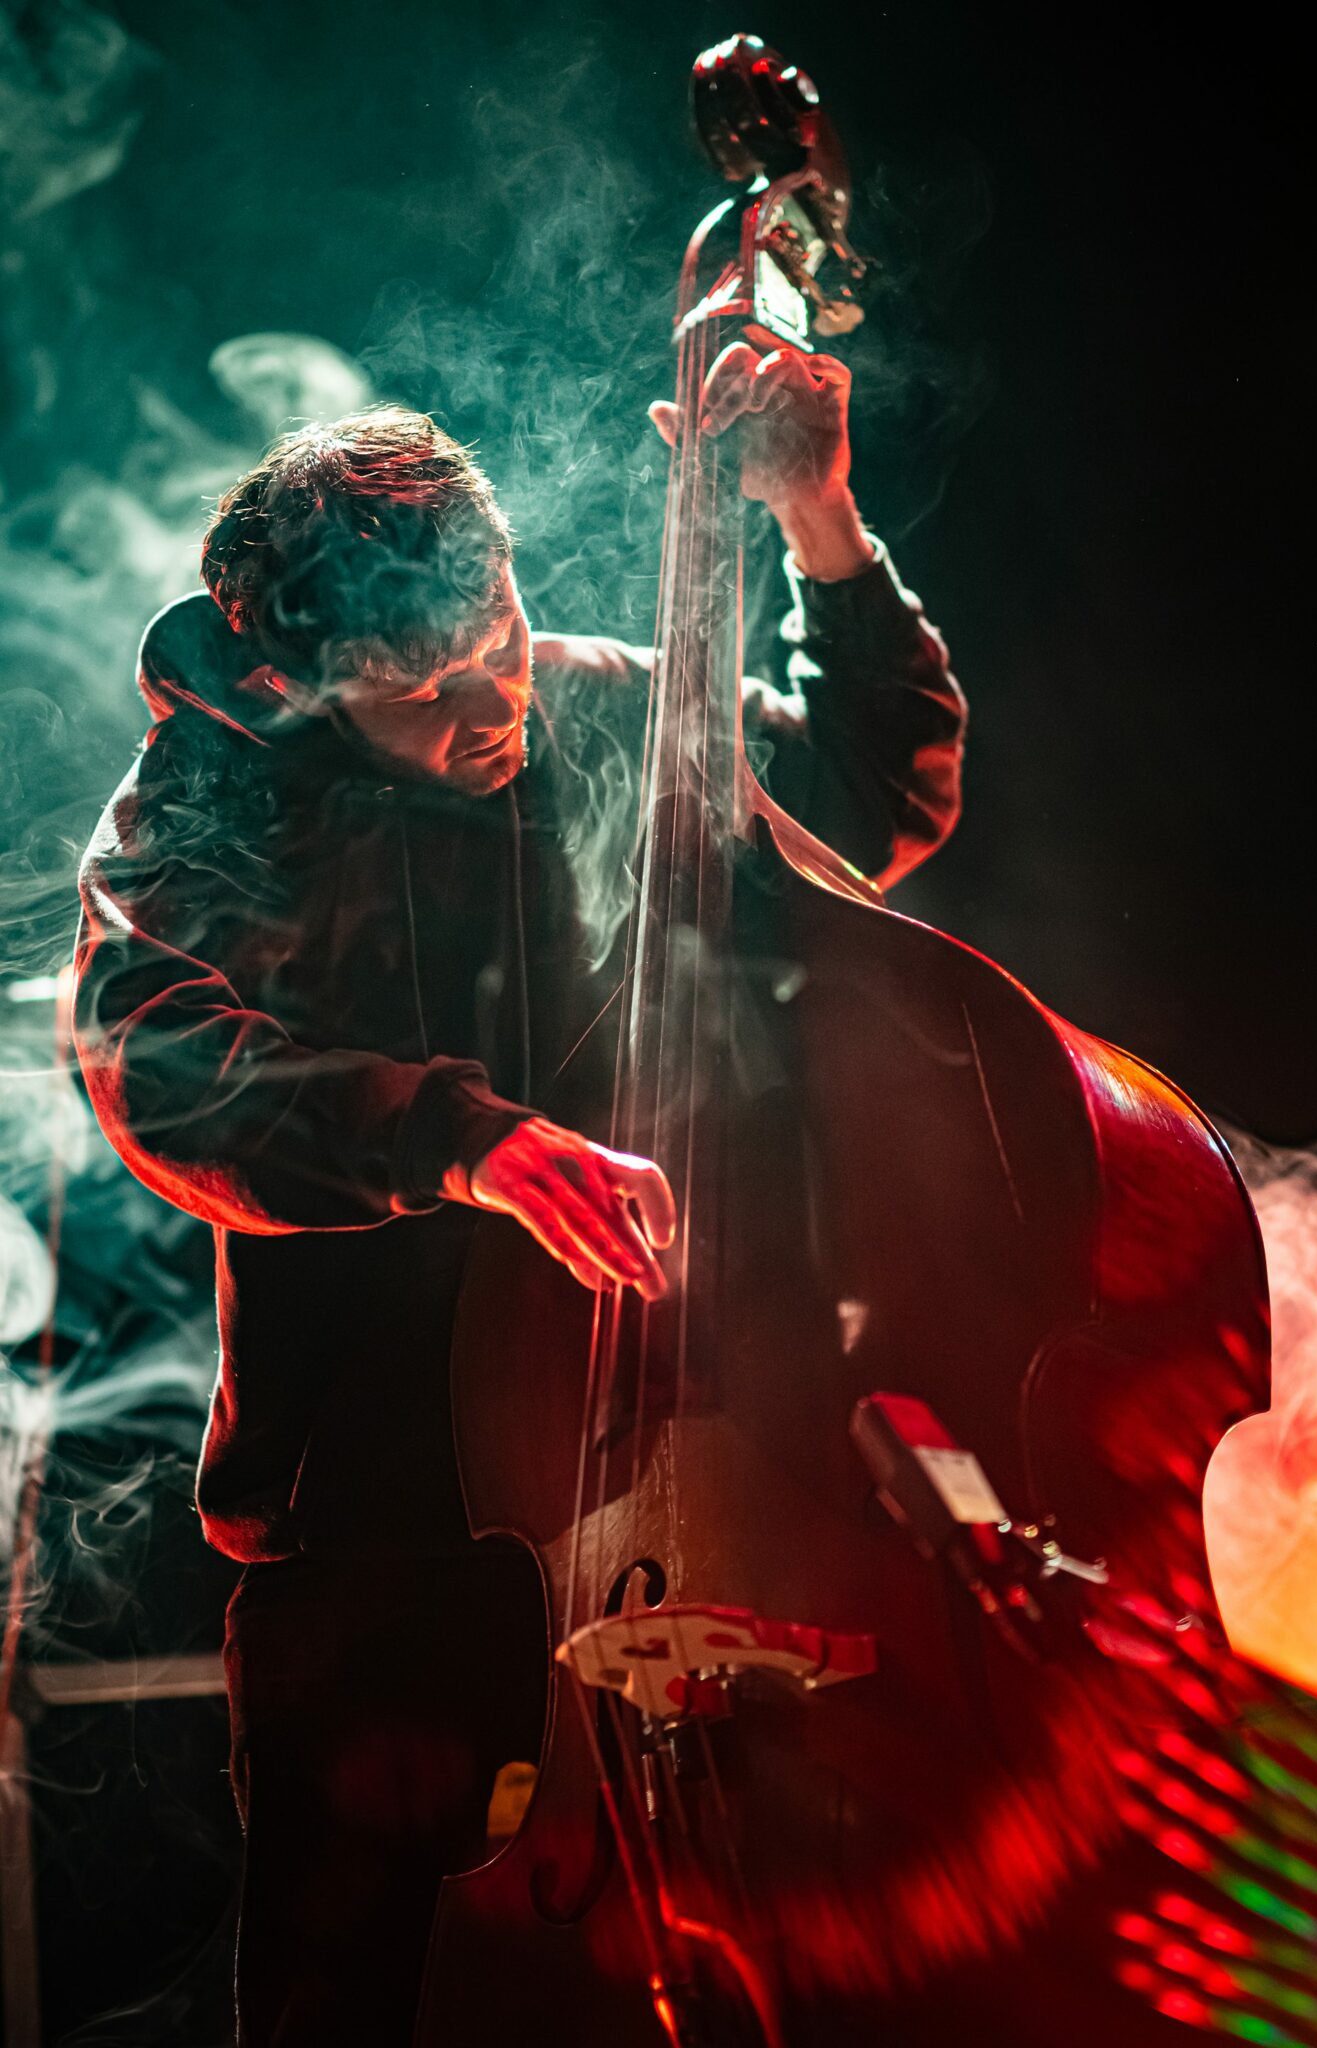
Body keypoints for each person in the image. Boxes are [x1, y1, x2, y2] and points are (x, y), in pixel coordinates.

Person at [72, 342, 967, 2045]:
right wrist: (460, 1139)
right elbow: (154, 1060)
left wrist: (815, 514)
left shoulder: (604, 696)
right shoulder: (207, 798)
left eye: (497, 652)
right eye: (424, 698)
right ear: (296, 685)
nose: (493, 715)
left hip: (672, 1482)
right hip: (388, 1544)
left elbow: (873, 795)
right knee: (371, 2002)